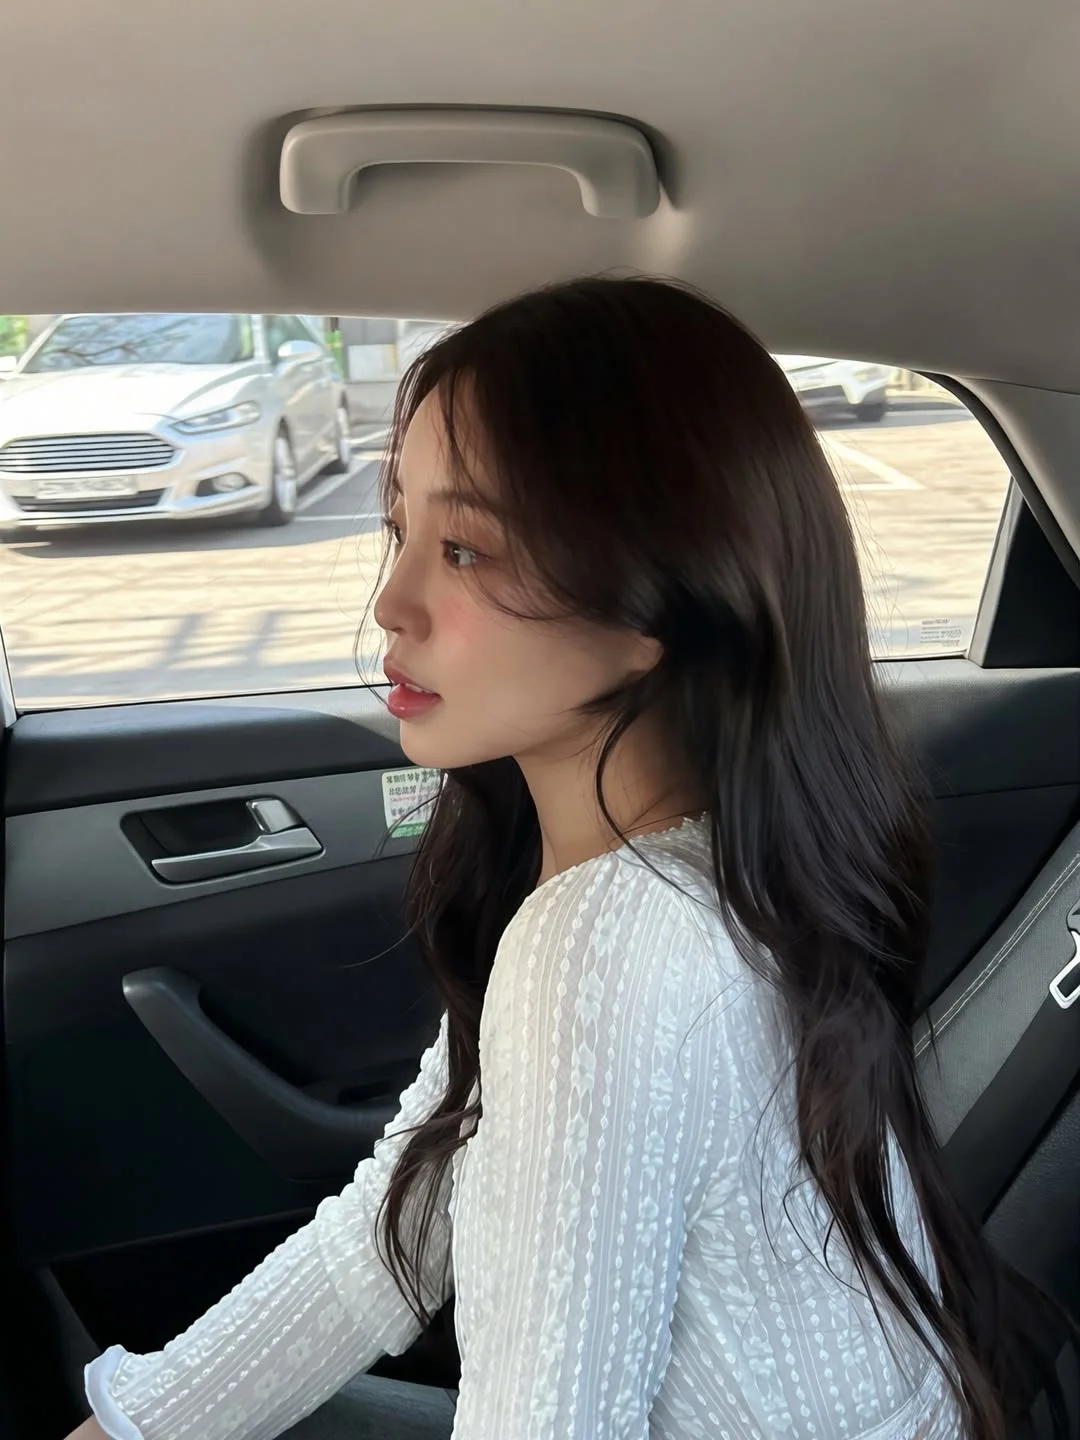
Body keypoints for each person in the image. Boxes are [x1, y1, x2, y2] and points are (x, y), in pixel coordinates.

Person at [68, 276, 1068, 1440]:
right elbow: (397, 1229)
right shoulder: (710, 874)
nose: (392, 602)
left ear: (654, 605)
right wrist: (132, 1425)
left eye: (465, 549)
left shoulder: (603, 940)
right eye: (400, 532)